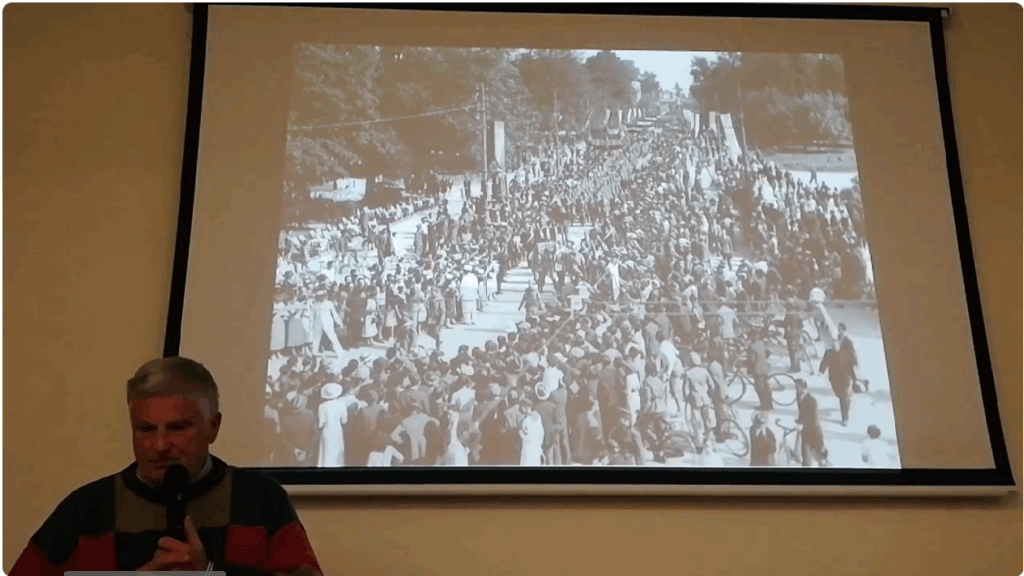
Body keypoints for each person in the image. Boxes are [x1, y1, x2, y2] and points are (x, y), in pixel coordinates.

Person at [10, 357, 322, 575]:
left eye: (177, 428)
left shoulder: (260, 498)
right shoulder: (85, 509)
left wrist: (211, 573)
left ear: (213, 427)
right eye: (145, 429)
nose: (159, 446)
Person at [794, 378, 828, 467]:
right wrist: (799, 421)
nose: (796, 389)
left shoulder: (812, 401)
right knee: (806, 459)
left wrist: (802, 424)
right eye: (795, 387)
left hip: (814, 432)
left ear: (804, 388)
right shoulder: (799, 396)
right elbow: (802, 412)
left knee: (820, 457)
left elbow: (814, 419)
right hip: (805, 432)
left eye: (798, 387)